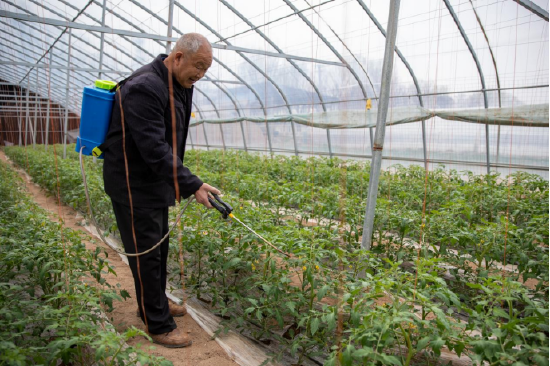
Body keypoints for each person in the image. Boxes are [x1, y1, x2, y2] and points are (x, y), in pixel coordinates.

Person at [102, 33, 220, 348]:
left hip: (153, 183)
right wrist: (192, 183)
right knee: (147, 256)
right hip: (133, 185)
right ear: (178, 57)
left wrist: (181, 180)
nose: (200, 75)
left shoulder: (179, 85)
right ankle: (158, 324)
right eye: (198, 66)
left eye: (206, 69)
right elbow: (154, 148)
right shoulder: (145, 87)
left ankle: (152, 302)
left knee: (158, 250)